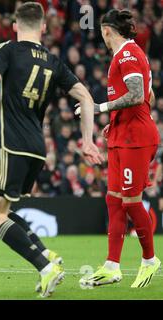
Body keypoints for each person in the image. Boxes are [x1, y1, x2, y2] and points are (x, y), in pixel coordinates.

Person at [0, 2, 102, 297]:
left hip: (12, 145)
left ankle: (45, 267)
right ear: (44, 27)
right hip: (38, 148)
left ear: (15, 26)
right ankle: (48, 256)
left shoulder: (8, 49)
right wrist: (88, 140)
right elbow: (84, 95)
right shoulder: (54, 60)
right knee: (2, 211)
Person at [75, 9, 161, 289]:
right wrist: (116, 121)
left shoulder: (126, 55)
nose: (102, 37)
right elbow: (149, 94)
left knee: (131, 201)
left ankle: (150, 260)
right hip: (123, 133)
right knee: (114, 199)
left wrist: (100, 108)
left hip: (136, 137)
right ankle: (112, 266)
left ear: (107, 31)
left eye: (102, 32)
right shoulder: (128, 55)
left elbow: (137, 95)